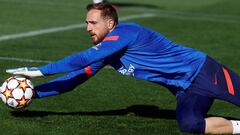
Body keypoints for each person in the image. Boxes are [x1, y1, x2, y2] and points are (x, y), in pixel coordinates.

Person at [5, 3, 240, 134]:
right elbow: (74, 78)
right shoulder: (107, 53)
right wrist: (35, 93)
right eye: (86, 22)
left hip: (205, 72)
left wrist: (39, 71)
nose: (87, 28)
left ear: (110, 23)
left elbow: (80, 59)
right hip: (186, 90)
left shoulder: (127, 33)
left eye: (92, 22)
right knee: (189, 125)